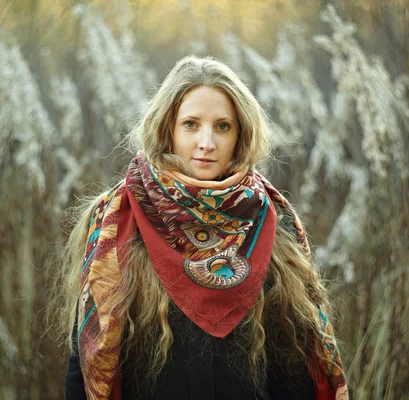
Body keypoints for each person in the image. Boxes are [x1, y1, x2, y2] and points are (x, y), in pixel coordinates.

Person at [59, 55, 349, 400]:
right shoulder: (117, 215)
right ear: (167, 128)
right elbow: (87, 357)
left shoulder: (273, 217)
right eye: (191, 124)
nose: (206, 143)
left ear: (241, 134)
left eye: (222, 126)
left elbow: (299, 362)